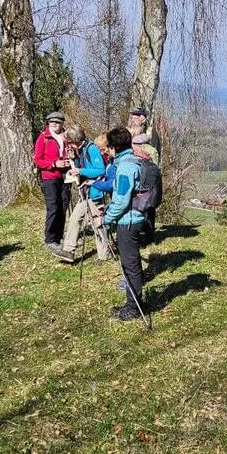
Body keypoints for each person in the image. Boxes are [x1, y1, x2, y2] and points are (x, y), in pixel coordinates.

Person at [96, 126, 148, 321]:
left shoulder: (125, 167)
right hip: (133, 217)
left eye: (108, 146)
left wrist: (106, 218)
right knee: (131, 263)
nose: (107, 150)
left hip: (128, 221)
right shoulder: (132, 160)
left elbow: (122, 200)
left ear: (115, 147)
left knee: (130, 264)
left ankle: (133, 308)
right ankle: (133, 303)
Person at [54, 125, 110, 263]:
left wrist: (80, 171)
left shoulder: (91, 149)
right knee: (74, 219)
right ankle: (68, 251)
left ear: (76, 141)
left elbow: (100, 170)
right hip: (85, 192)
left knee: (98, 224)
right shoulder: (80, 150)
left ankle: (104, 254)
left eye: (70, 143)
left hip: (95, 191)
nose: (70, 145)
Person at [33, 111, 72, 252]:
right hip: (50, 177)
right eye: (51, 122)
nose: (54, 124)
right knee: (53, 207)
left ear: (62, 123)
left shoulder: (67, 136)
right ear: (48, 123)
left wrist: (69, 160)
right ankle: (50, 239)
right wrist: (54, 164)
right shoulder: (43, 138)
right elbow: (37, 160)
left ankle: (59, 236)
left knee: (64, 206)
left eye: (57, 122)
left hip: (66, 176)